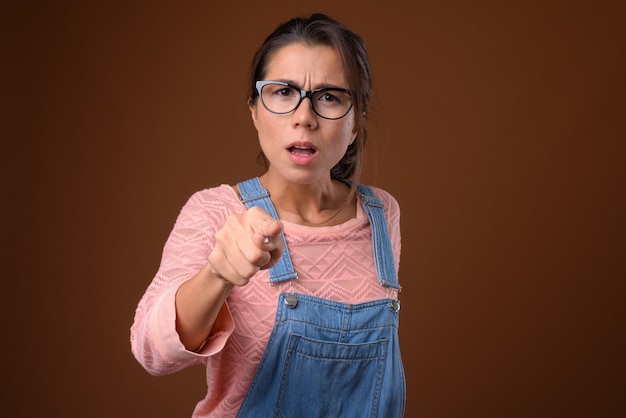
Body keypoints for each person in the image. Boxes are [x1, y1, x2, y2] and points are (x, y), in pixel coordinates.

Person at [130, 12, 405, 417]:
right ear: (255, 109)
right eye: (282, 92)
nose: (304, 117)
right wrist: (218, 274)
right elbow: (151, 352)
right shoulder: (217, 212)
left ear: (356, 121)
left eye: (329, 96)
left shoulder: (382, 215)